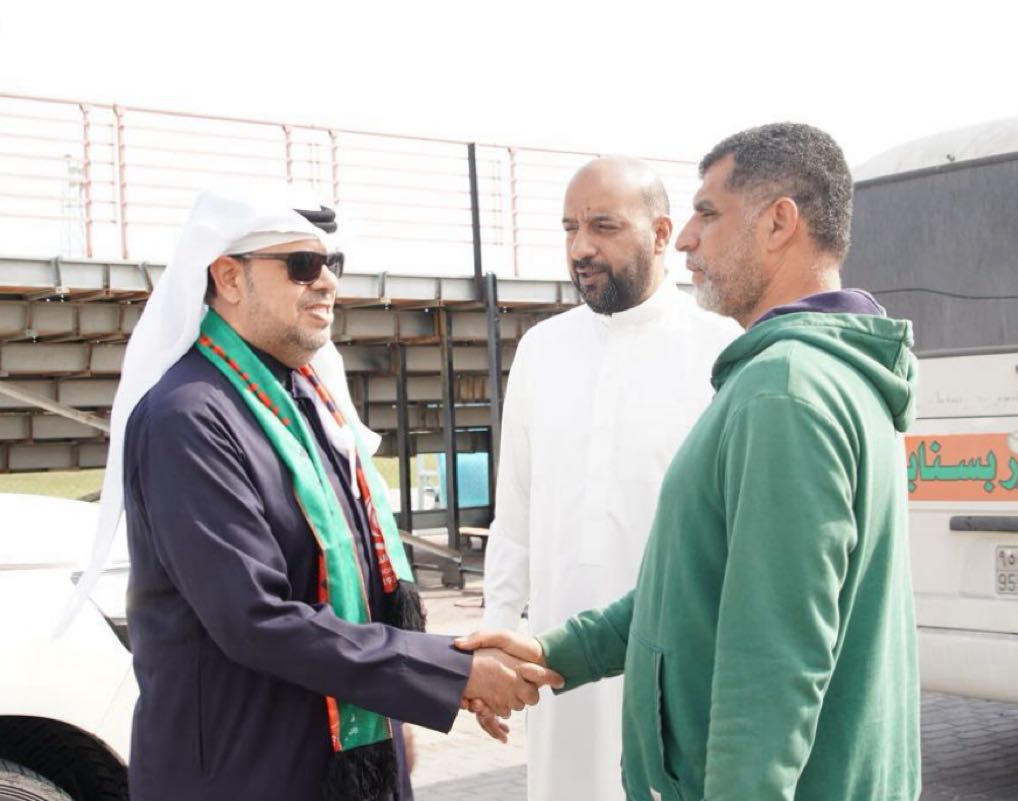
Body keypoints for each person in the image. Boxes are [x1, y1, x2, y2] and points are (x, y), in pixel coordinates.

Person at [461, 123, 922, 801]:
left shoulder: (784, 390)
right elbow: (697, 581)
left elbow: (772, 663)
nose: (686, 239)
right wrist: (557, 651)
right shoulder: (814, 371)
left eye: (708, 214)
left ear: (778, 223)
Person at [61, 190, 561, 801]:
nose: (326, 282)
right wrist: (452, 673)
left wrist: (396, 711)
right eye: (301, 265)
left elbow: (357, 585)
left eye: (332, 264)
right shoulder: (188, 417)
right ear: (229, 277)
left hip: (343, 759)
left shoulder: (308, 401)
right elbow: (256, 619)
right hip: (242, 771)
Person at [480, 157, 739, 801]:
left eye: (603, 226)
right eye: (570, 228)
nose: (580, 248)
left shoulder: (720, 348)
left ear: (661, 233)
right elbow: (515, 518)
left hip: (676, 667)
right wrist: (494, 641)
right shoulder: (541, 350)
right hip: (556, 665)